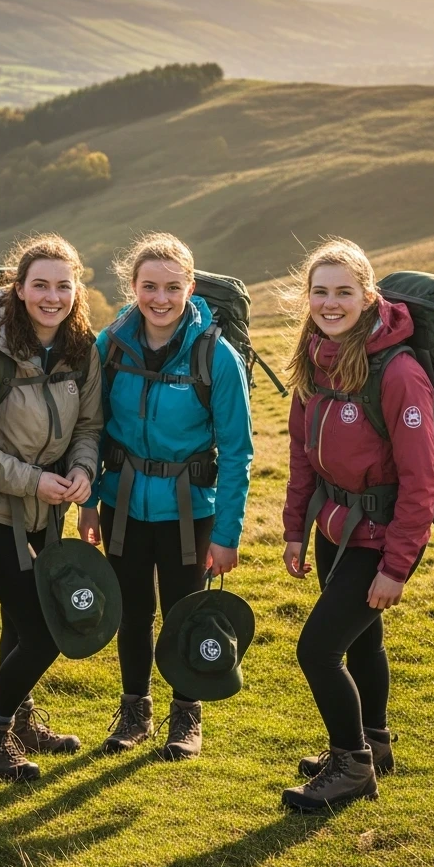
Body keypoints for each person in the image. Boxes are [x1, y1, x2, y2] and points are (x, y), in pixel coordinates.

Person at [79, 232, 253, 760]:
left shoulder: (216, 357)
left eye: (172, 287)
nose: (160, 298)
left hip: (189, 510)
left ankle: (186, 716)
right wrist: (88, 503)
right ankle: (135, 711)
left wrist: (226, 535)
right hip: (123, 503)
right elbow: (93, 427)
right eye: (149, 286)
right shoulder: (110, 346)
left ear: (190, 287)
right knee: (131, 611)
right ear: (132, 288)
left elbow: (238, 452)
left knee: (185, 612)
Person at [280, 238, 434, 811]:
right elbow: (302, 455)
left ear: (368, 296)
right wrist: (295, 528)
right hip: (333, 530)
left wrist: (397, 567)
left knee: (317, 651)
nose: (330, 303)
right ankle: (375, 743)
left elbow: (422, 483)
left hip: (378, 537)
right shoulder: (315, 357)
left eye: (343, 292)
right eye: (319, 292)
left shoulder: (398, 373)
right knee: (363, 642)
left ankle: (351, 766)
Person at [0, 234, 102, 780]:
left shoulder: (81, 349)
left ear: (76, 290)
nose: (52, 296)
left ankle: (21, 721)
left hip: (50, 511)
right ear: (18, 289)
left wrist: (83, 471)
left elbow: (88, 427)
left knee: (21, 624)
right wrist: (34, 481)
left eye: (63, 285)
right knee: (45, 629)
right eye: (39, 284)